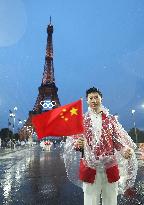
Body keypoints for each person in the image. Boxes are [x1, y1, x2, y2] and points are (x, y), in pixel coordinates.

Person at [63, 87, 138, 205]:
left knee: (111, 199)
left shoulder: (111, 120)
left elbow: (118, 141)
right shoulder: (82, 120)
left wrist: (124, 150)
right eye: (90, 98)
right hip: (90, 167)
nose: (94, 100)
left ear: (101, 99)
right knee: (90, 200)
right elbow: (74, 141)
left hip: (109, 167)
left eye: (96, 97)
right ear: (87, 101)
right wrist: (77, 144)